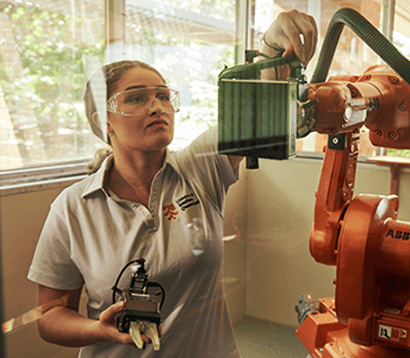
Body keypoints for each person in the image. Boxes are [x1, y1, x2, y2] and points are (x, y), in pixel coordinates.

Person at [27, 10, 317, 358]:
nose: (157, 106)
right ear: (104, 122)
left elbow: (253, 111)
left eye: (164, 96)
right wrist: (97, 329)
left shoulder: (199, 168)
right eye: (136, 98)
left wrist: (271, 46)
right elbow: (50, 316)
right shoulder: (72, 207)